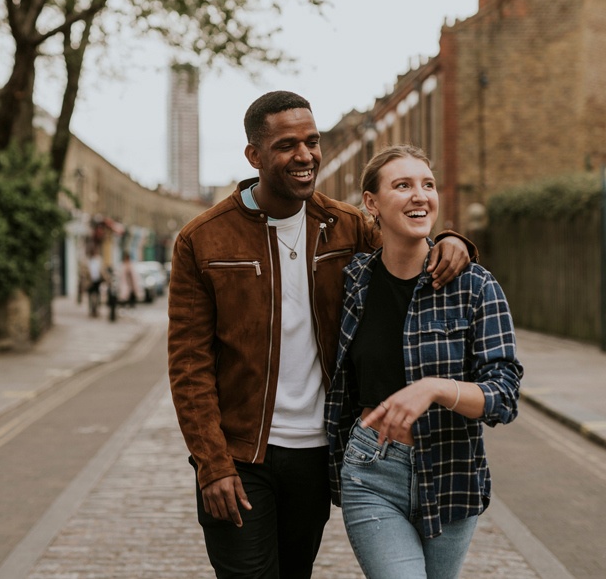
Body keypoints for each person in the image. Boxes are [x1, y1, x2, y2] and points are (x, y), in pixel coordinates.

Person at [167, 91, 476, 579]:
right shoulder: (203, 239)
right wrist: (212, 463)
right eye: (288, 144)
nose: (306, 155)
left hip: (317, 453)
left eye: (311, 142)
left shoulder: (348, 226)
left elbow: (408, 253)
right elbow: (189, 364)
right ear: (254, 155)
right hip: (241, 454)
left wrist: (452, 241)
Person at [325, 145, 523, 579]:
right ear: (371, 204)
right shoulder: (352, 281)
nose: (420, 195)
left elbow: (504, 395)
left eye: (427, 185)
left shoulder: (474, 286)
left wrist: (434, 388)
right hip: (371, 471)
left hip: (452, 472)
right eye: (403, 185)